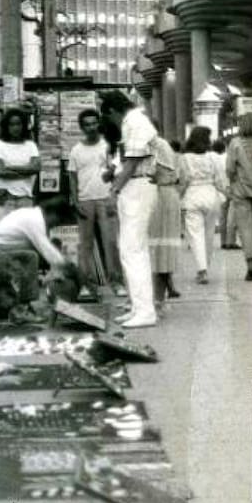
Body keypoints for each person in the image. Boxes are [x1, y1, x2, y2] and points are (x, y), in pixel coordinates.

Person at [100, 91, 158, 328]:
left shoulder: (135, 122)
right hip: (134, 187)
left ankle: (145, 311)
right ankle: (138, 306)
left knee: (132, 250)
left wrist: (114, 191)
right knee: (131, 250)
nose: (109, 122)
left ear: (113, 111)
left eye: (107, 116)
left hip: (137, 186)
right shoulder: (132, 122)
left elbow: (133, 162)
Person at [0, 197, 79, 320]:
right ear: (52, 214)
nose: (53, 226)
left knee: (32, 255)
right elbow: (49, 252)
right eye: (56, 222)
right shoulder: (35, 221)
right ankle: (24, 308)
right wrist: (71, 268)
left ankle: (16, 303)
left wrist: (56, 271)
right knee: (31, 257)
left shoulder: (31, 214)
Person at [67, 108, 124, 296]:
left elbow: (116, 171)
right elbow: (72, 177)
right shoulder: (76, 150)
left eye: (94, 123)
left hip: (106, 198)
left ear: (98, 124)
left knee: (111, 242)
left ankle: (117, 282)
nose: (91, 127)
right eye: (87, 125)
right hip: (85, 200)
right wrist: (75, 201)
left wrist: (114, 195)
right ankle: (86, 285)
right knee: (85, 245)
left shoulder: (107, 146)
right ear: (81, 127)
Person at [179, 126, 225, 285]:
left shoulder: (185, 158)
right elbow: (220, 181)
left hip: (192, 195)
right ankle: (206, 266)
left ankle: (202, 270)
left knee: (195, 234)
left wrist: (178, 197)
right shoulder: (214, 157)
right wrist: (227, 193)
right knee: (209, 235)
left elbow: (184, 181)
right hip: (211, 195)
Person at [0, 107, 40, 227]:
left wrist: (10, 167)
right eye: (11, 124)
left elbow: (36, 168)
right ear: (6, 126)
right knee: (2, 234)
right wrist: (26, 171)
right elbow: (0, 171)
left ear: (24, 125)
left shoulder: (30, 145)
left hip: (25, 198)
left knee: (23, 234)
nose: (15, 128)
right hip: (4, 198)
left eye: (18, 124)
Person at [149, 132, 183, 309]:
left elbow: (150, 173)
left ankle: (158, 298)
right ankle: (163, 292)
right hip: (167, 196)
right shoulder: (165, 148)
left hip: (161, 198)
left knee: (159, 249)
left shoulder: (157, 147)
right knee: (161, 249)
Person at [225, 111, 252, 280]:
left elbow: (229, 168)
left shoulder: (235, 143)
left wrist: (232, 180)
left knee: (245, 228)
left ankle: (250, 265)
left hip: (242, 190)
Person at [211, 139, 237, 250]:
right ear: (225, 148)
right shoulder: (228, 157)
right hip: (232, 187)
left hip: (221, 189)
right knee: (232, 216)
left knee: (223, 217)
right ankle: (231, 241)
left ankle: (223, 241)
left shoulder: (213, 160)